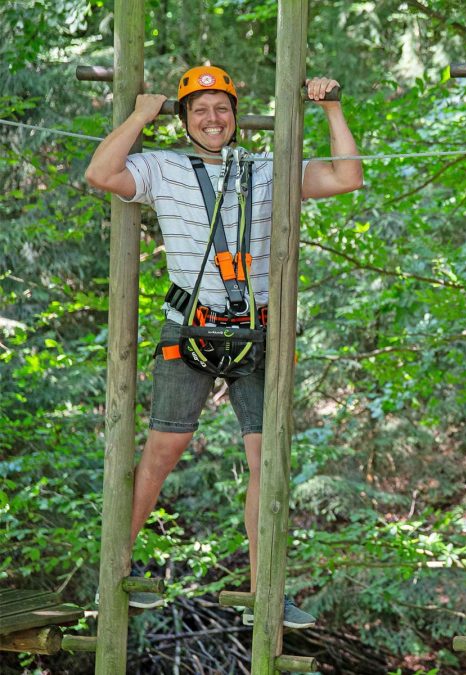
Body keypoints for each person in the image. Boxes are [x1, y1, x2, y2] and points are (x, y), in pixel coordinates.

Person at [84, 65, 363, 628]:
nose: (213, 119)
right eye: (200, 110)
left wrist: (331, 109)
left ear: (236, 115)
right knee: (164, 449)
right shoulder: (160, 167)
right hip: (190, 325)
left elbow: (345, 178)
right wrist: (142, 113)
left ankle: (268, 591)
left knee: (267, 457)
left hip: (256, 330)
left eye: (222, 108)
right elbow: (100, 172)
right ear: (185, 119)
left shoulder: (267, 168)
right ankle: (115, 569)